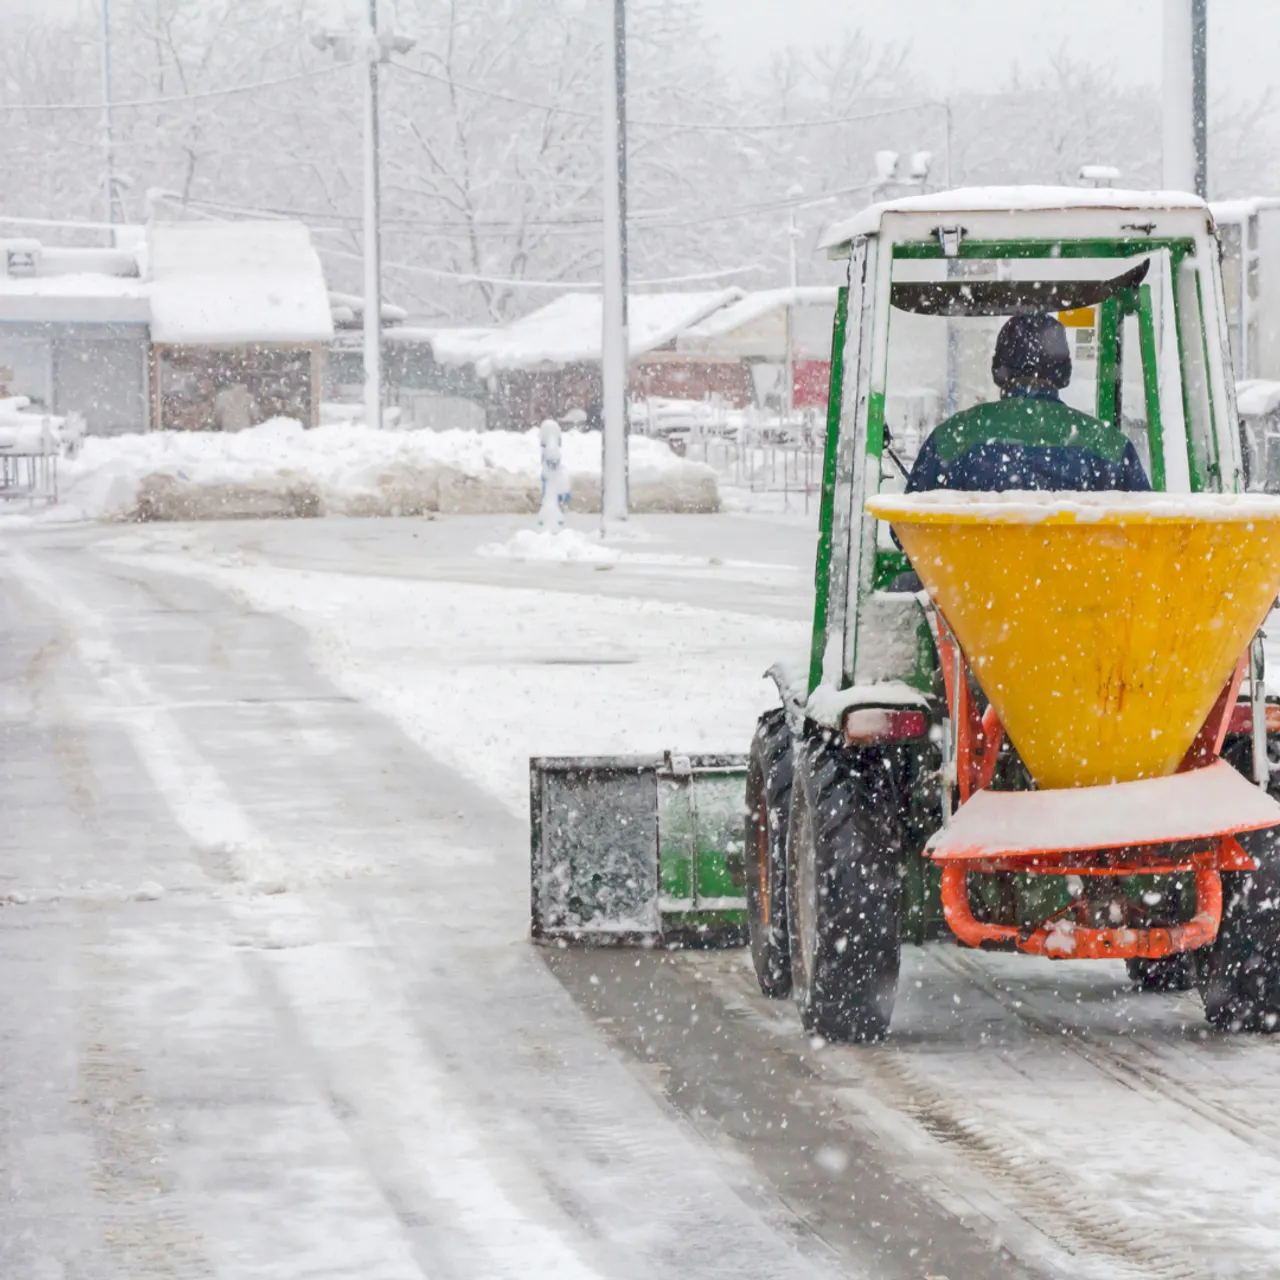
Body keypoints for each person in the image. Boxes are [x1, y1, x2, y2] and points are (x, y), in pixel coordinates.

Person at [905, 312, 1150, 494]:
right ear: (1064, 371)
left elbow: (906, 532)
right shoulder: (1110, 445)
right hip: (1081, 565)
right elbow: (1144, 535)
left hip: (971, 565)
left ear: (997, 370)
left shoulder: (952, 438)